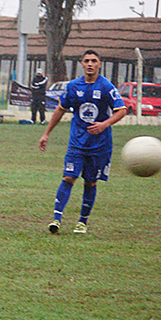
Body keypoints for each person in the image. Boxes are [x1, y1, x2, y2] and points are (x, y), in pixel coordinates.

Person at [39, 49, 127, 234]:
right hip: (77, 142)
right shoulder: (73, 86)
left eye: (93, 61)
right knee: (69, 177)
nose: (90, 64)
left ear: (99, 64)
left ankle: (82, 222)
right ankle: (56, 219)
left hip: (99, 144)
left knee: (90, 182)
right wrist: (46, 133)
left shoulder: (106, 86)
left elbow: (122, 110)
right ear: (81, 64)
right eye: (86, 60)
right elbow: (60, 110)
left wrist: (104, 124)